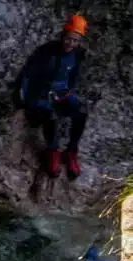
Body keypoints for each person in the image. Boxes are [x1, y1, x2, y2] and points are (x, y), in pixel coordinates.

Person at [18, 14, 89, 180]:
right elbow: (28, 74)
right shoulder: (47, 51)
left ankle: (71, 151)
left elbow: (72, 77)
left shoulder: (77, 55)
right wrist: (24, 97)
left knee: (81, 111)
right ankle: (53, 151)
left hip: (61, 93)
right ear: (63, 36)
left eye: (75, 41)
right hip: (41, 95)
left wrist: (67, 91)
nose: (70, 43)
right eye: (68, 39)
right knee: (50, 115)